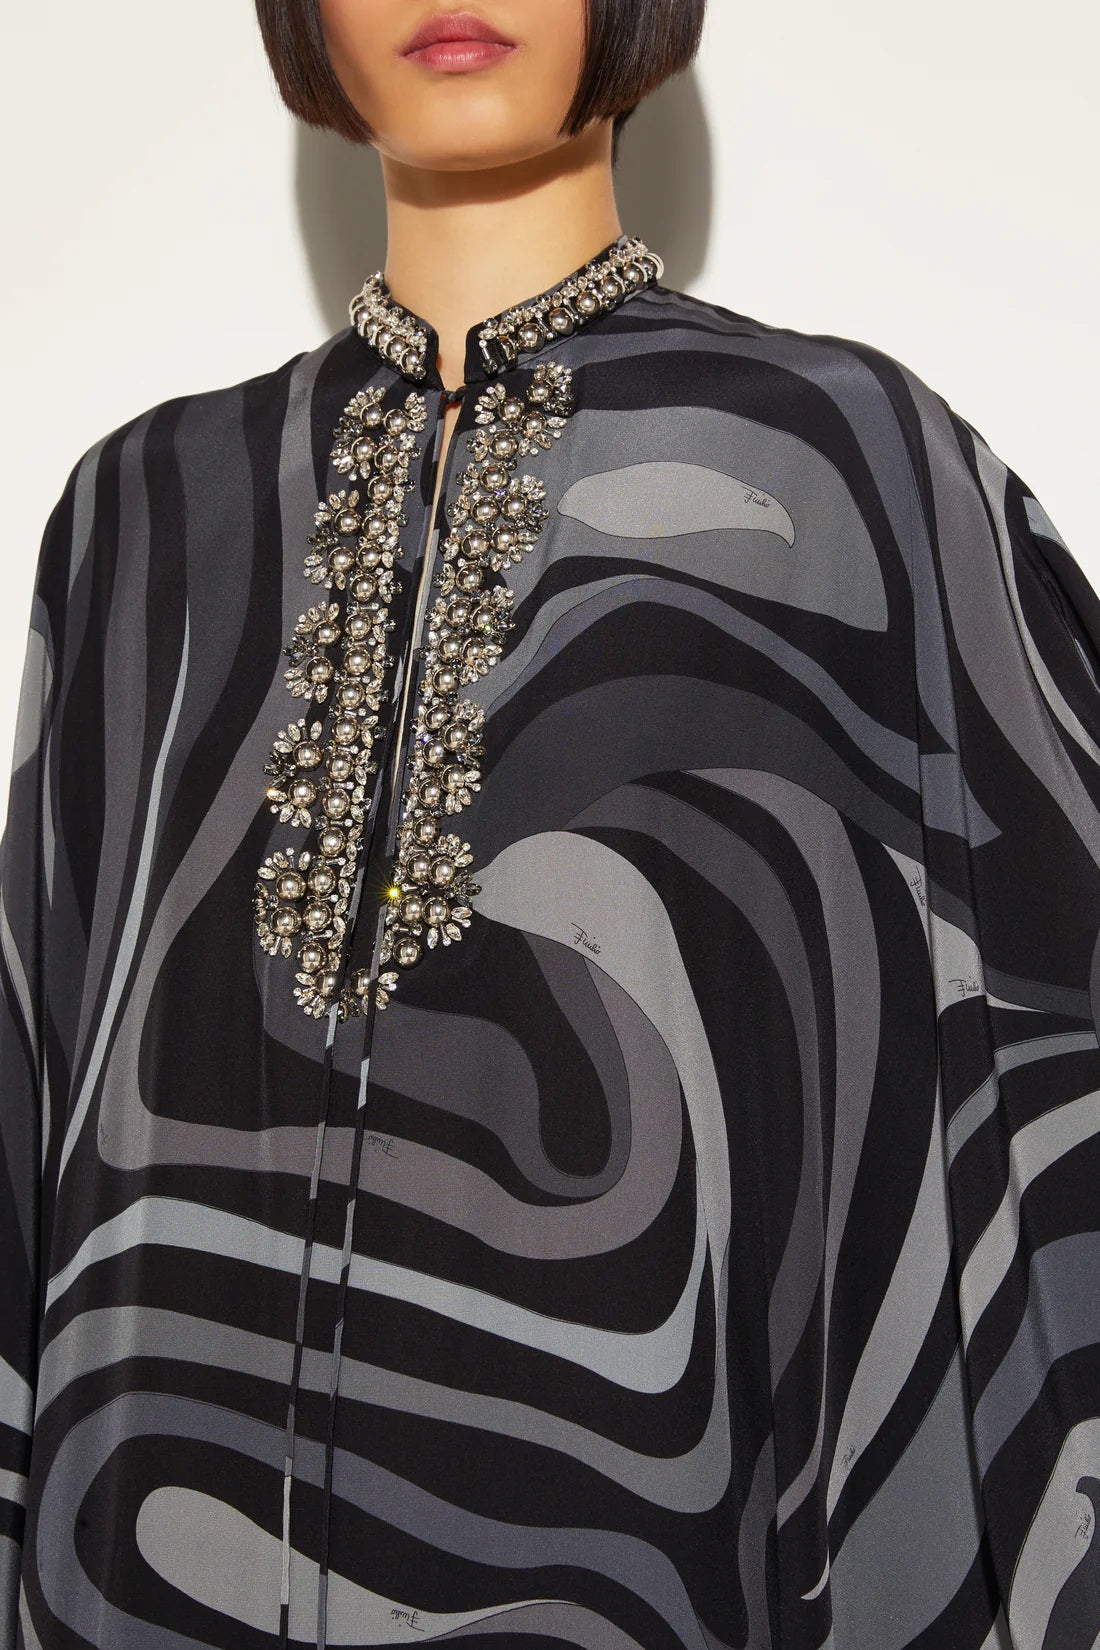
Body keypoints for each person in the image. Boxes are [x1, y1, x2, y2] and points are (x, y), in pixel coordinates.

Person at [2, 1, 1097, 1645]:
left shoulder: (842, 470)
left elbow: (1037, 1055)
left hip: (646, 1560)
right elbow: (36, 1102)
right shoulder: (138, 515)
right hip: (147, 1560)